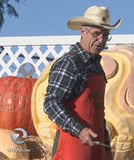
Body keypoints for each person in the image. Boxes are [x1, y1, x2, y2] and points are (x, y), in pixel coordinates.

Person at [43, 5, 122, 160]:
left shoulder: (96, 66)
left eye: (106, 35)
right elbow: (51, 103)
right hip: (71, 151)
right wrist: (79, 130)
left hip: (95, 151)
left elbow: (98, 113)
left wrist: (106, 150)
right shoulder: (70, 63)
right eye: (96, 34)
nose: (102, 40)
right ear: (83, 32)